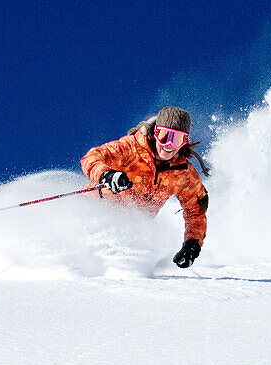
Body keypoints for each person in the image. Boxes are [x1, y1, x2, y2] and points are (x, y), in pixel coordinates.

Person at [81, 106, 209, 268]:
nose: (169, 145)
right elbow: (92, 156)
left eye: (177, 140)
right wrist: (106, 175)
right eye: (164, 136)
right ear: (156, 133)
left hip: (129, 228)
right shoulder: (132, 148)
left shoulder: (183, 172)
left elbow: (196, 210)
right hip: (93, 209)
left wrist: (192, 244)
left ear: (184, 142)